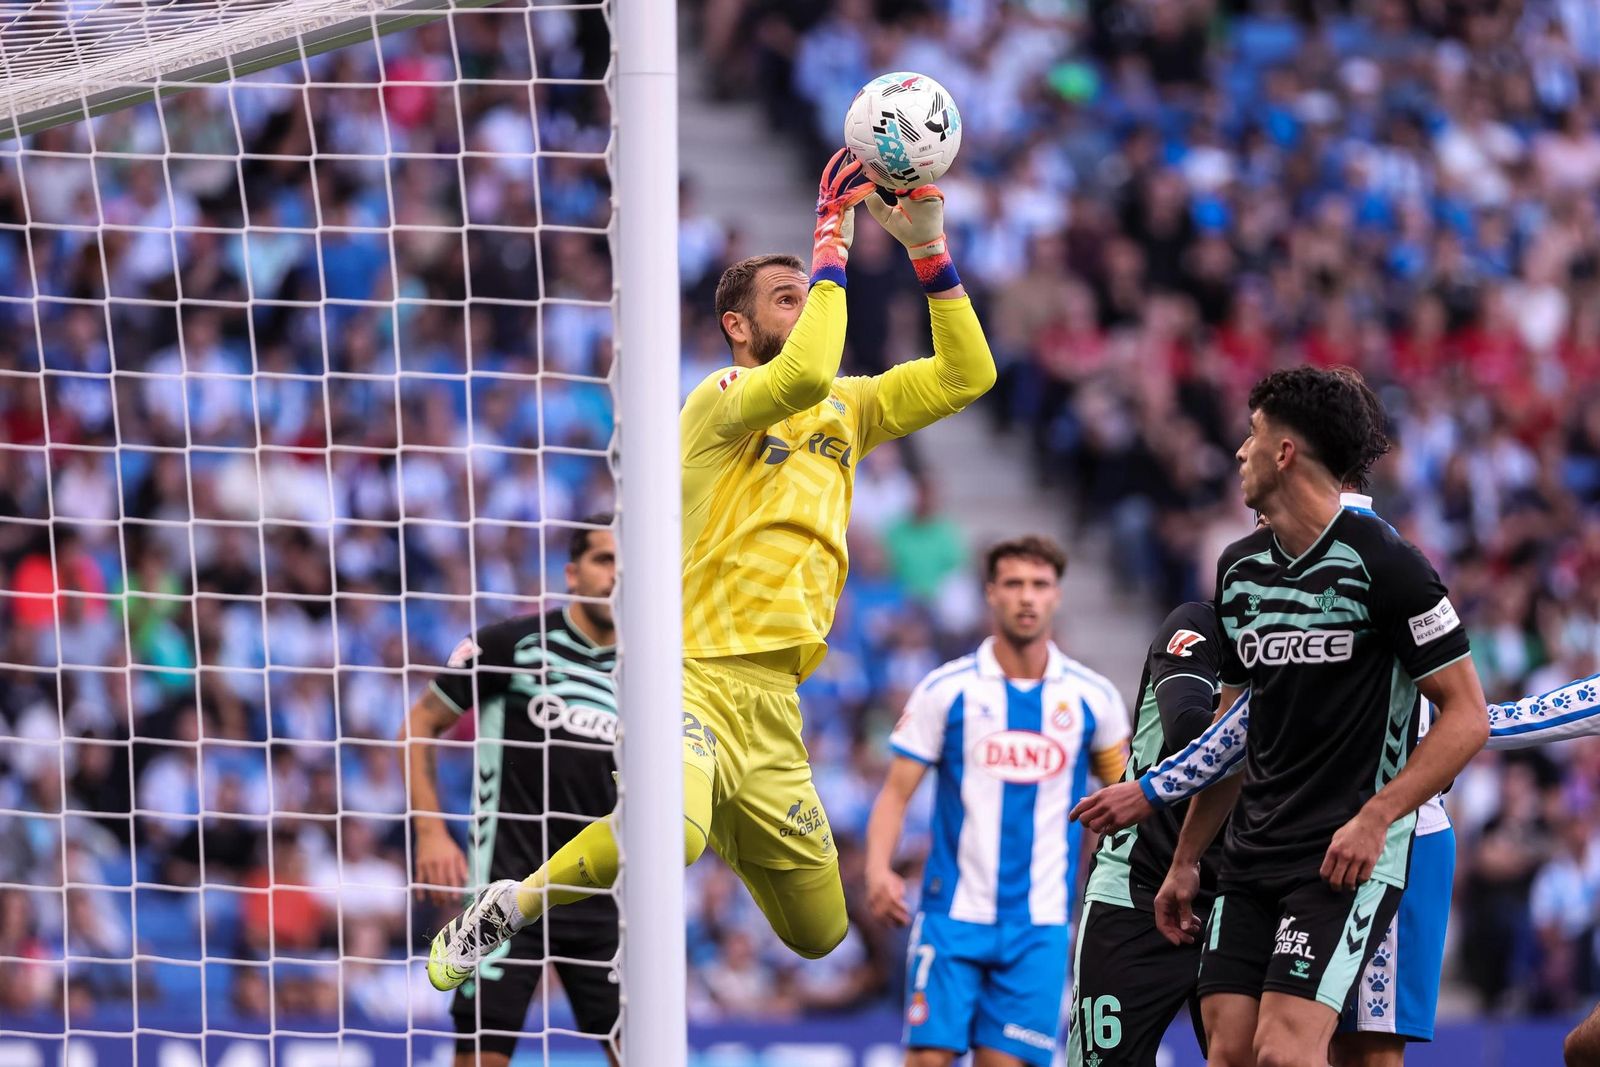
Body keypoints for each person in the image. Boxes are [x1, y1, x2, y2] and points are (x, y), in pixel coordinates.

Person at [426, 148, 997, 988]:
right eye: (787, 300)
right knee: (674, 835)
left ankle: (716, 800)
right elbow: (801, 370)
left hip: (773, 702)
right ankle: (516, 900)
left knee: (820, 930)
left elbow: (969, 373)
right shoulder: (717, 398)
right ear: (738, 324)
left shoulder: (853, 407)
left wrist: (929, 251)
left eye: (811, 296)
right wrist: (831, 238)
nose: (807, 312)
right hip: (687, 671)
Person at [1073, 491, 1600, 1066]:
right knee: (1246, 1045)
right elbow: (1232, 728)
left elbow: (1480, 713)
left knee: (1358, 1053)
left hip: (1387, 835)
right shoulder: (1251, 616)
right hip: (1273, 847)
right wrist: (1165, 809)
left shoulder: (1386, 584)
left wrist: (1447, 733)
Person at [1147, 368, 1489, 1067]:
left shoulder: (1392, 566)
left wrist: (1375, 817)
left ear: (1285, 453)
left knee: (1288, 1053)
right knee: (1230, 1051)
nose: (1239, 451)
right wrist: (1187, 858)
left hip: (1340, 857)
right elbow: (1233, 731)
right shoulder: (1238, 570)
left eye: (1253, 435)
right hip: (1249, 852)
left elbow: (1468, 718)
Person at [865, 536, 1130, 1067]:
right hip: (951, 915)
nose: (1026, 597)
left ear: (1057, 595)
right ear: (990, 593)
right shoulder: (947, 690)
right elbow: (895, 793)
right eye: (1014, 584)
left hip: (1040, 924)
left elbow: (1123, 803)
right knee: (926, 1060)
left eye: (1039, 584)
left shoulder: (1093, 697)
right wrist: (877, 871)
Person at [403, 518, 621, 1066]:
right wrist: (430, 831)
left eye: (630, 563)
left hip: (609, 900)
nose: (618, 575)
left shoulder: (656, 674)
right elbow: (420, 723)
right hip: (505, 897)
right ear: (572, 574)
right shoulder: (512, 644)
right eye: (605, 560)